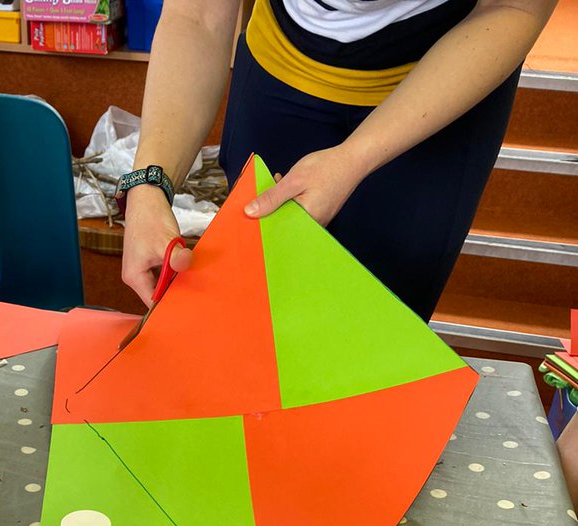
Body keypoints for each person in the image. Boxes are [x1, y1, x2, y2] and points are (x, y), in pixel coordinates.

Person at [120, 0, 557, 320]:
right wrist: (148, 183)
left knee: (377, 333)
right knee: (256, 317)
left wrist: (355, 157)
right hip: (284, 59)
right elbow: (197, 17)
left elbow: (516, 7)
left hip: (445, 73)